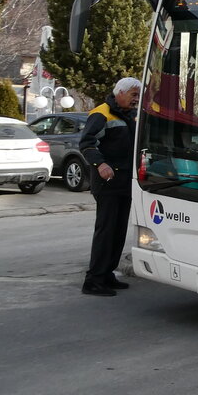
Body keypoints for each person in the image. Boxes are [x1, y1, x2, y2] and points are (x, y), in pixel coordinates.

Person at [79, 77, 142, 297]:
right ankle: (93, 280)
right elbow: (87, 143)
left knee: (118, 231)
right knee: (106, 231)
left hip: (126, 182)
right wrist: (100, 164)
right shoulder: (101, 113)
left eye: (138, 95)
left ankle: (107, 274)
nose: (136, 99)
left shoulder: (131, 115)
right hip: (107, 182)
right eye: (134, 95)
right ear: (120, 93)